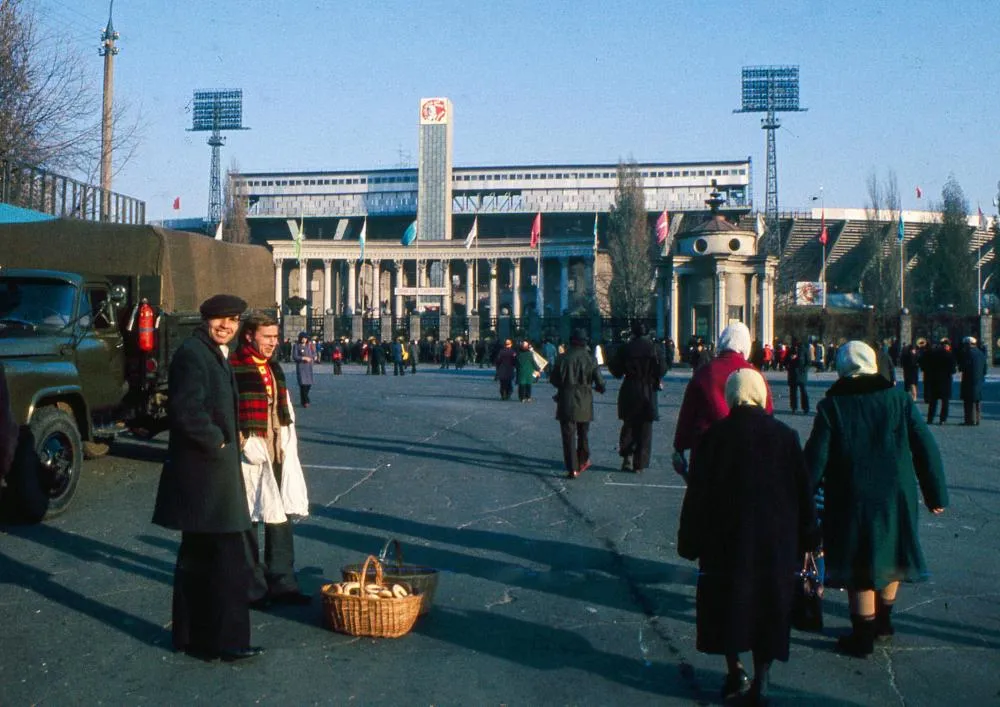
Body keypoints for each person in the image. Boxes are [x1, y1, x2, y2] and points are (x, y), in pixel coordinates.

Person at [679, 368, 817, 704]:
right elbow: (804, 494)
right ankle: (763, 677)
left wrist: (689, 540)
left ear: (731, 396)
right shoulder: (786, 436)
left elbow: (697, 495)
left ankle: (735, 670)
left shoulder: (713, 438)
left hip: (725, 541)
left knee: (728, 607)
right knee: (769, 608)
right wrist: (811, 539)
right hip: (775, 541)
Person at [804, 341, 947, 657]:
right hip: (897, 495)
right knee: (891, 555)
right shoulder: (898, 399)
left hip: (852, 497)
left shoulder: (833, 407)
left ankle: (862, 635)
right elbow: (925, 446)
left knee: (860, 566)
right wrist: (935, 493)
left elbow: (815, 460)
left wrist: (799, 497)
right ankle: (883, 623)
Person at [152, 294, 264, 663]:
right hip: (208, 474)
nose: (227, 326)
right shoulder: (193, 354)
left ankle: (190, 637)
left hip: (205, 474)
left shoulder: (210, 352)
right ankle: (228, 642)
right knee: (228, 560)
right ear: (205, 319)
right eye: (221, 319)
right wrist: (217, 440)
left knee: (197, 559)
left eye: (233, 320)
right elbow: (186, 410)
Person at [229, 310, 311, 608]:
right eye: (267, 337)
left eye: (276, 337)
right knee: (248, 517)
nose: (273, 343)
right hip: (248, 455)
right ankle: (251, 587)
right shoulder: (234, 366)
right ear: (249, 336)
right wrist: (241, 441)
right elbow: (225, 410)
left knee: (280, 516)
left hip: (275, 450)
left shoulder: (273, 367)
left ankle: (283, 582)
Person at [673, 322, 774, 479]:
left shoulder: (705, 372)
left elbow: (688, 413)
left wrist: (679, 446)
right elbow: (767, 413)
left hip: (707, 450)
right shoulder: (755, 375)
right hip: (745, 451)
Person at [607, 321, 665, 473]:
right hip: (648, 388)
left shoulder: (625, 348)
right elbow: (662, 369)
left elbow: (616, 371)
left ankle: (627, 456)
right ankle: (639, 463)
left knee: (629, 424)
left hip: (630, 387)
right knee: (645, 428)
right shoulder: (654, 348)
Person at [550, 329, 606, 479]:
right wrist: (600, 388)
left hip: (566, 398)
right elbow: (600, 382)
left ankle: (572, 468)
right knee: (583, 433)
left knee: (568, 435)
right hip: (585, 399)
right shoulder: (590, 359)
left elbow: (554, 379)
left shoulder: (562, 358)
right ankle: (582, 460)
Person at [920, 338, 956, 424]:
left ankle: (930, 418)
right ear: (947, 346)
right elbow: (953, 370)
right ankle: (943, 419)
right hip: (946, 381)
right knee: (945, 402)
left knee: (933, 402)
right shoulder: (949, 355)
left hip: (934, 380)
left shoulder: (932, 353)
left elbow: (924, 365)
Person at [959, 336, 987, 425]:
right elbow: (985, 369)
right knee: (977, 401)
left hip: (968, 381)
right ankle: (978, 419)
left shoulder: (967, 354)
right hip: (979, 381)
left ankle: (970, 420)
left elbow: (963, 367)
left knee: (968, 402)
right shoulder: (981, 353)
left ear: (968, 344)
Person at [786, 337, 810, 413]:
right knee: (793, 392)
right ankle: (794, 407)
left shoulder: (804, 350)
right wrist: (790, 359)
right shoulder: (790, 350)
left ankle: (805, 408)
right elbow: (785, 361)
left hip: (801, 374)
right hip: (792, 373)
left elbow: (808, 362)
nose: (795, 346)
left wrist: (804, 370)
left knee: (803, 391)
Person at [292, 332, 315, 407]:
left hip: (309, 367)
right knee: (303, 385)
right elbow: (295, 357)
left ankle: (303, 400)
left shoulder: (309, 345)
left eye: (305, 338)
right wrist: (303, 358)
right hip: (301, 367)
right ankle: (306, 401)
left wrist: (314, 357)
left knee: (308, 385)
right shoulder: (296, 346)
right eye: (302, 338)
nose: (304, 340)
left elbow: (313, 353)